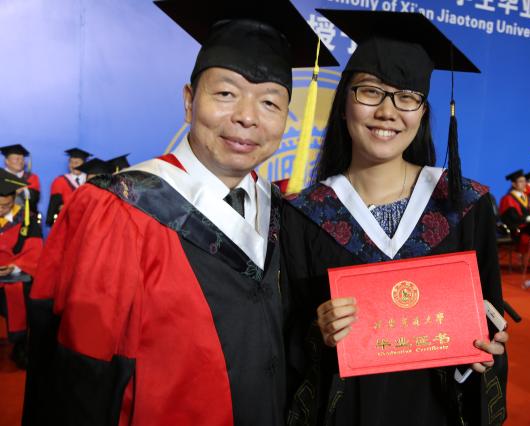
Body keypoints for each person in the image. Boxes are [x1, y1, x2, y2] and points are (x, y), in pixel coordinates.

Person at [22, 1, 335, 425]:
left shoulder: (280, 213)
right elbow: (84, 376)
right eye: (226, 94)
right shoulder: (123, 209)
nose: (247, 117)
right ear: (189, 102)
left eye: (270, 103)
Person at [281, 10, 507, 426]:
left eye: (406, 97)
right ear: (344, 104)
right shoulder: (306, 214)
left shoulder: (463, 206)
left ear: (423, 113)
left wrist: (479, 353)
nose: (388, 111)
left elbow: (490, 326)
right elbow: (286, 338)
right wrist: (318, 332)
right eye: (370, 92)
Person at [0, 169, 43, 369]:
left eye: (5, 206)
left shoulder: (27, 220)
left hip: (16, 277)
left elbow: (35, 251)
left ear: (13, 200)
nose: (1, 209)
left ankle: (20, 347)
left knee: (23, 297)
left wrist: (15, 267)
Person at [45, 148, 91, 226]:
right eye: (71, 162)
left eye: (77, 162)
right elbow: (55, 206)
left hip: (86, 222)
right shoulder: (60, 181)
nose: (73, 165)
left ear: (84, 164)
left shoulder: (90, 181)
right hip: (66, 223)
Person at [499, 169, 530, 253]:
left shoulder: (528, 198)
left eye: (525, 181)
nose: (524, 184)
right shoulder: (507, 199)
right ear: (513, 184)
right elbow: (512, 218)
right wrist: (526, 219)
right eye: (521, 181)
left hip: (528, 228)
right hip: (517, 231)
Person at [0, 144, 41, 210]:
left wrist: (23, 191)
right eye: (16, 159)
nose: (20, 161)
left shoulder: (31, 177)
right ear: (7, 161)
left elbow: (34, 199)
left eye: (22, 159)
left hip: (24, 213)